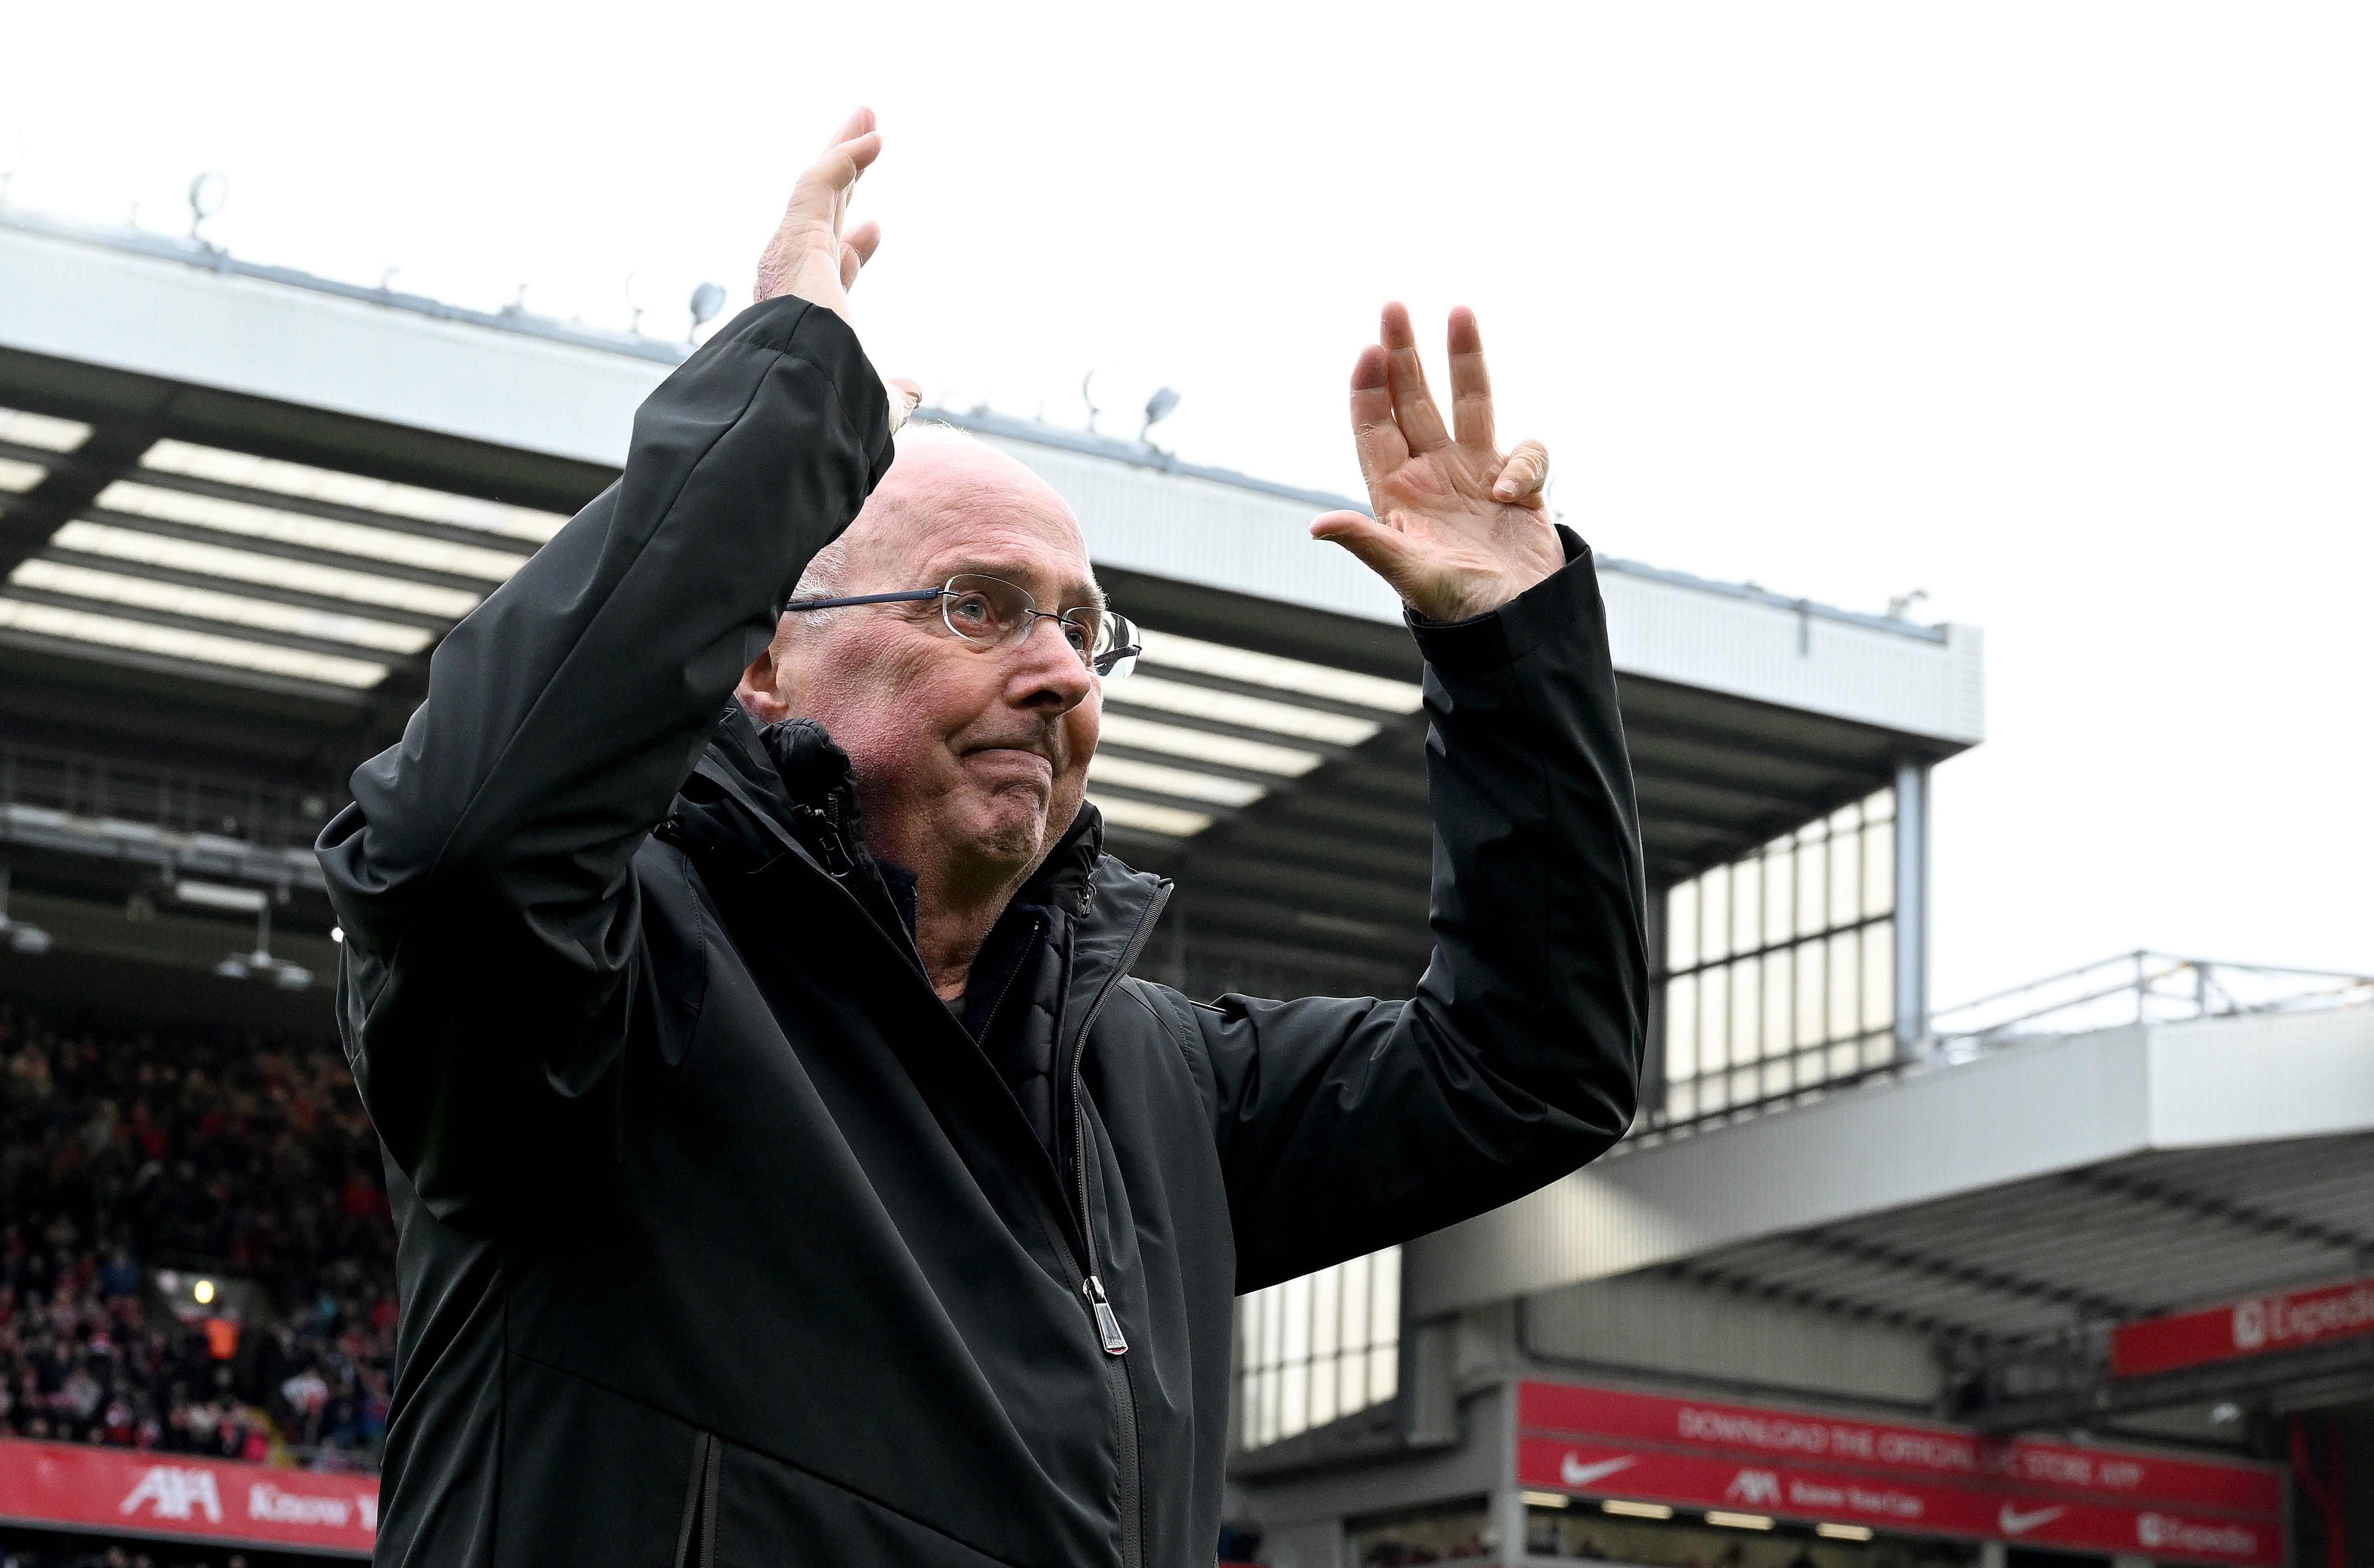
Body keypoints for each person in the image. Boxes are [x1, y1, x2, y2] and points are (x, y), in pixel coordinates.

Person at [319, 109, 1648, 1567]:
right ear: (763, 662)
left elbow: (1532, 1073)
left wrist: (1512, 661)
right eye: (979, 606)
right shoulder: (612, 988)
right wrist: (783, 417)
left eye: (1083, 628)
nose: (1062, 672)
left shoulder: (1158, 1085)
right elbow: (452, 852)